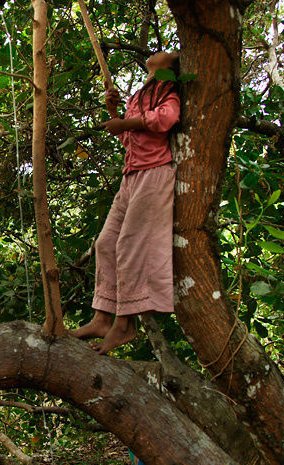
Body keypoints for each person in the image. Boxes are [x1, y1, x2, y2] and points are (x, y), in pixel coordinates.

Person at [72, 51, 181, 354]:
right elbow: (130, 139)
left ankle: (124, 325)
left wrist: (126, 123)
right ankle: (102, 318)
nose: (160, 51)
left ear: (168, 67)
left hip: (154, 174)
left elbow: (167, 118)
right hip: (131, 176)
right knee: (106, 243)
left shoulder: (168, 89)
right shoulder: (139, 94)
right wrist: (114, 111)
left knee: (129, 247)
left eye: (167, 53)